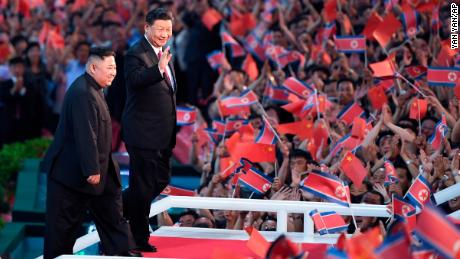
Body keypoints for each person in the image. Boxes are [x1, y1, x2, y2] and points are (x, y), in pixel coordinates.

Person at [41, 47, 138, 258]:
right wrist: (92, 168)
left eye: (115, 68)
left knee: (113, 217)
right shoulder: (82, 92)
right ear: (93, 67)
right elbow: (86, 133)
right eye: (110, 68)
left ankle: (125, 252)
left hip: (99, 172)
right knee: (62, 232)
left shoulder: (95, 88)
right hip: (75, 176)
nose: (114, 72)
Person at [122, 7, 177, 252]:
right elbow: (135, 80)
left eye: (168, 29)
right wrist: (158, 69)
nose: (165, 33)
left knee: (160, 181)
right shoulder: (136, 53)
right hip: (142, 134)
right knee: (143, 187)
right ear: (147, 28)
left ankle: (114, 207)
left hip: (163, 136)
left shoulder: (163, 52)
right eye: (160, 29)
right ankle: (140, 238)